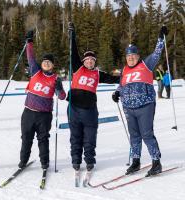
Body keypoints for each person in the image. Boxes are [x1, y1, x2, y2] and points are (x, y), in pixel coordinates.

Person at [112, 26, 168, 176]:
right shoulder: (124, 70)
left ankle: (156, 162)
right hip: (128, 107)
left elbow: (157, 53)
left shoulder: (146, 64)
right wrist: (117, 92)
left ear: (138, 56)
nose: (131, 58)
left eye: (133, 55)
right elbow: (122, 84)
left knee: (147, 134)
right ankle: (135, 161)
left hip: (145, 106)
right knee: (134, 135)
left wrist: (160, 38)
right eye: (128, 56)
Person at [68, 23, 120, 172]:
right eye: (87, 60)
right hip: (74, 108)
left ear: (95, 62)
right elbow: (73, 52)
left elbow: (113, 79)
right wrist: (72, 35)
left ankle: (89, 161)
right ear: (83, 61)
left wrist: (126, 76)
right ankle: (76, 161)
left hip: (90, 110)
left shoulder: (97, 74)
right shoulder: (78, 68)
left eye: (92, 60)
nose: (90, 61)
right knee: (76, 137)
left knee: (90, 138)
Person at [18, 30, 66, 170]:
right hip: (28, 112)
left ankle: (44, 162)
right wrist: (29, 42)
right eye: (44, 61)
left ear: (53, 65)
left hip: (44, 115)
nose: (46, 64)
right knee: (26, 138)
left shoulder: (56, 78)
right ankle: (23, 161)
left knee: (43, 139)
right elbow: (31, 57)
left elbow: (62, 97)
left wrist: (59, 87)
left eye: (49, 62)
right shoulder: (35, 70)